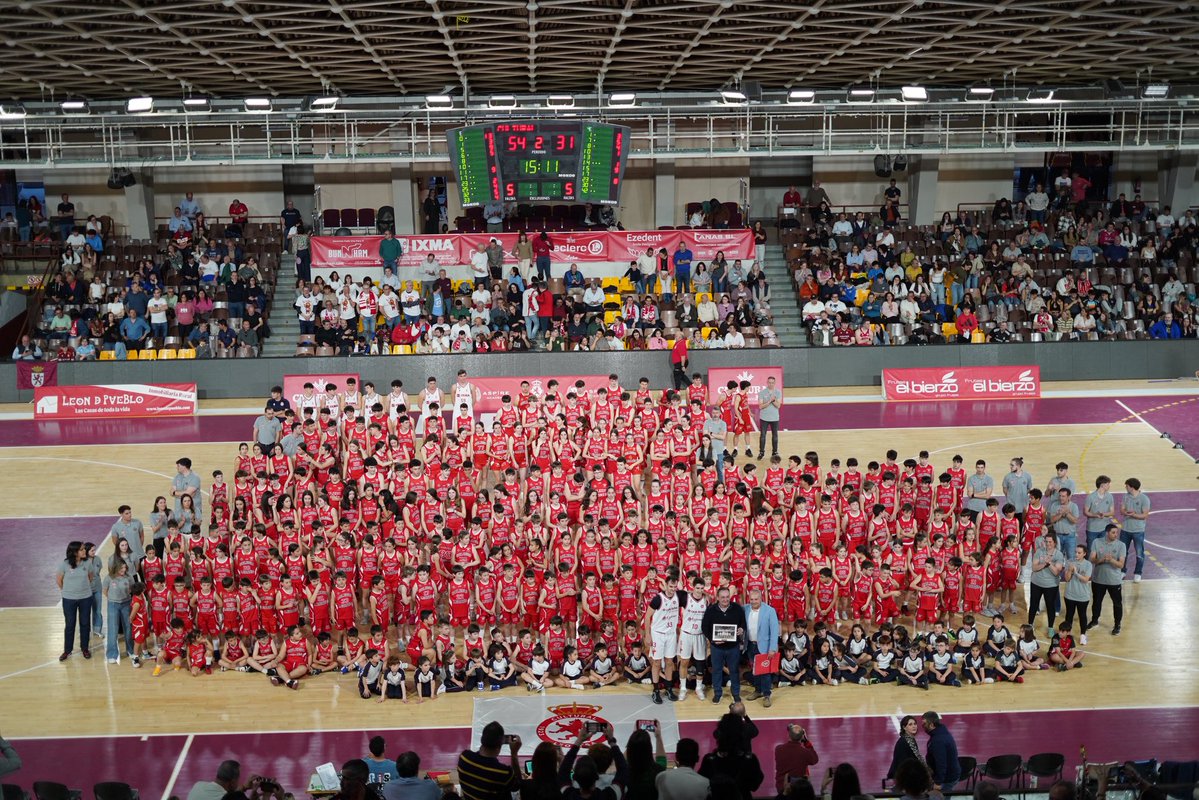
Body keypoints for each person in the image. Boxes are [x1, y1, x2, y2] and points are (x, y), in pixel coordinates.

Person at [698, 714, 765, 800]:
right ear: (741, 733)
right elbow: (754, 786)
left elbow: (702, 785)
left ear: (720, 733)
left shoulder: (709, 760)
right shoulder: (750, 760)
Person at [701, 586, 748, 704]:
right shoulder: (711, 610)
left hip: (733, 647)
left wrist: (741, 629)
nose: (725, 599)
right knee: (717, 670)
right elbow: (704, 627)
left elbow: (743, 623)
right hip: (717, 647)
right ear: (718, 598)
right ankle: (717, 694)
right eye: (722, 597)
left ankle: (736, 694)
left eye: (727, 597)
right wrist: (712, 639)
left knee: (734, 671)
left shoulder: (737, 608)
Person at [458, 721, 521, 800]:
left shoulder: (464, 758)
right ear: (500, 744)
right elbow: (518, 785)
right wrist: (514, 753)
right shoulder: (504, 773)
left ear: (481, 739)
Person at [57, 541, 96, 661]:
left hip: (85, 598)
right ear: (74, 552)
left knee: (85, 624)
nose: (85, 551)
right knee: (70, 625)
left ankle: (85, 648)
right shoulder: (65, 564)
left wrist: (82, 590)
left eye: (84, 549)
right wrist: (69, 591)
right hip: (69, 599)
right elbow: (59, 580)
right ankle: (67, 650)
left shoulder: (88, 563)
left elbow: (90, 577)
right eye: (82, 549)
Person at [742, 588, 780, 707]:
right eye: (751, 599)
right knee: (755, 671)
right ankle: (758, 691)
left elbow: (774, 631)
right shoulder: (745, 609)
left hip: (764, 646)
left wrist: (772, 648)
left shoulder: (769, 611)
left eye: (756, 599)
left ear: (761, 598)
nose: (753, 601)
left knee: (765, 672)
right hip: (750, 645)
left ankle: (767, 695)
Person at [1089, 523, 1126, 636]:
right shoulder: (1097, 542)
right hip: (1098, 579)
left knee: (1117, 603)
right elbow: (1092, 559)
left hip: (1114, 581)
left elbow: (1120, 564)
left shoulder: (1121, 545)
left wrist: (1111, 560)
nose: (1116, 535)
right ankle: (1095, 620)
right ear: (1107, 532)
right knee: (1096, 602)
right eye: (1113, 532)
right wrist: (1102, 559)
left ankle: (1117, 624)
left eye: (1116, 533)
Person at [774, 724, 819, 796]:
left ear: (788, 735)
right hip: (799, 790)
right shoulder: (805, 753)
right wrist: (806, 742)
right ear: (802, 737)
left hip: (782, 788)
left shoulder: (778, 749)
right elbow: (815, 760)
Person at [624, 725, 667, 799]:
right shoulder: (658, 771)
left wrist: (634, 738)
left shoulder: (623, 772)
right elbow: (661, 760)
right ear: (649, 748)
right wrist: (658, 736)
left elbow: (622, 760)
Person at [922, 711, 961, 792]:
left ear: (932, 725)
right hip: (951, 774)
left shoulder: (938, 741)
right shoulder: (941, 732)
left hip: (947, 779)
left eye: (924, 724)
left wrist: (938, 782)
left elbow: (941, 763)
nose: (923, 726)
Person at [1120, 478, 1150, 583]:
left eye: (1127, 486)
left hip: (1138, 530)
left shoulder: (1144, 499)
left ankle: (1138, 573)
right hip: (1125, 529)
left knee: (1139, 553)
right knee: (1123, 552)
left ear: (1132, 487)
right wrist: (1126, 512)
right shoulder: (1125, 497)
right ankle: (1122, 571)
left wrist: (1134, 515)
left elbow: (1145, 515)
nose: (1125, 488)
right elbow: (1121, 510)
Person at [886, 716, 925, 784]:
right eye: (910, 724)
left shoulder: (910, 740)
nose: (914, 726)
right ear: (904, 727)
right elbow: (902, 764)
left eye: (915, 724)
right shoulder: (903, 742)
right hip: (904, 779)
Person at [756, 376, 782, 460]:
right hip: (764, 418)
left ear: (775, 383)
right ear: (767, 383)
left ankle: (774, 452)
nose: (770, 384)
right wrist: (770, 401)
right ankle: (761, 452)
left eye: (772, 382)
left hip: (774, 418)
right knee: (763, 435)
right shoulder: (762, 393)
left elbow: (778, 405)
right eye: (769, 382)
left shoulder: (778, 392)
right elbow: (760, 406)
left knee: (775, 436)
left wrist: (773, 401)